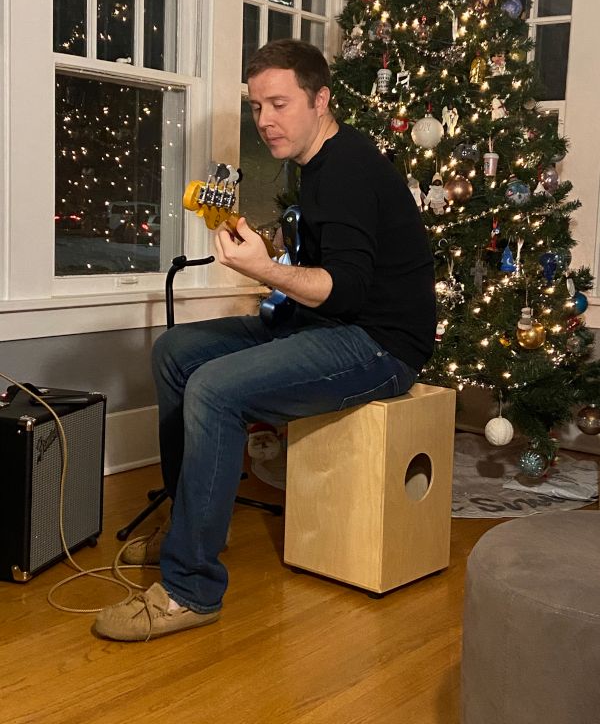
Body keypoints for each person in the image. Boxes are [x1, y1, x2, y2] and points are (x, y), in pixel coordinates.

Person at [94, 39, 436, 641]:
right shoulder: (316, 165)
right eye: (256, 107)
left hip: (379, 345)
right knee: (175, 354)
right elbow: (326, 269)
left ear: (321, 99)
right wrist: (267, 252)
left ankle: (189, 590)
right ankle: (192, 524)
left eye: (279, 103)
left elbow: (349, 292)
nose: (265, 120)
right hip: (326, 323)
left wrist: (263, 270)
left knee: (215, 390)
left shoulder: (350, 169)